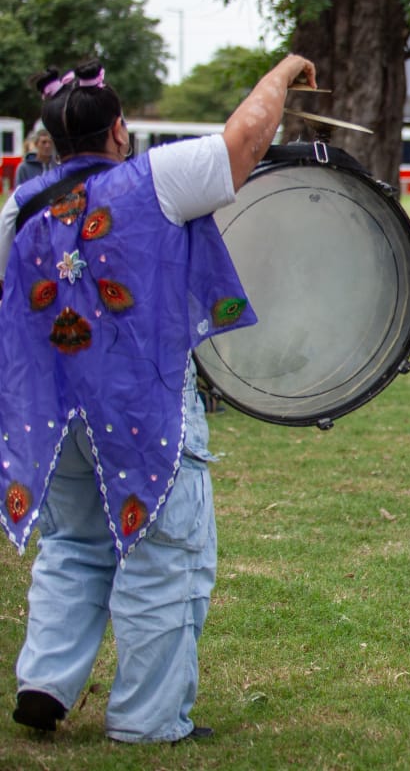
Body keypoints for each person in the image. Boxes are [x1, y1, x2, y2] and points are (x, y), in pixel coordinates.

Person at [1, 53, 316, 742]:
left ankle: (44, 681)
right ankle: (148, 721)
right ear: (119, 130)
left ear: (51, 139)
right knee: (163, 552)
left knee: (75, 544)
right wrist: (285, 70)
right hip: (140, 409)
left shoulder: (19, 211)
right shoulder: (153, 180)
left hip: (51, 417)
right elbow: (246, 140)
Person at [14, 122, 56, 186]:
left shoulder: (58, 166)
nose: (48, 145)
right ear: (36, 144)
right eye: (44, 142)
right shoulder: (24, 168)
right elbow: (18, 191)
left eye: (50, 142)